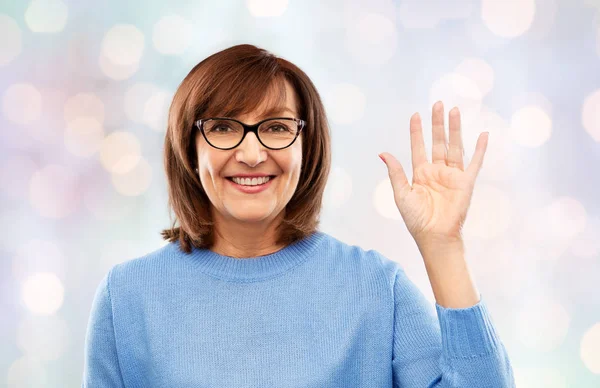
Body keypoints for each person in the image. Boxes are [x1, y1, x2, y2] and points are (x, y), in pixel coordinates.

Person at [82, 44, 515, 387]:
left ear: (307, 148)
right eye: (223, 127)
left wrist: (443, 246)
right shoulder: (127, 299)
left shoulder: (377, 289)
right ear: (188, 149)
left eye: (276, 127)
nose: (251, 154)